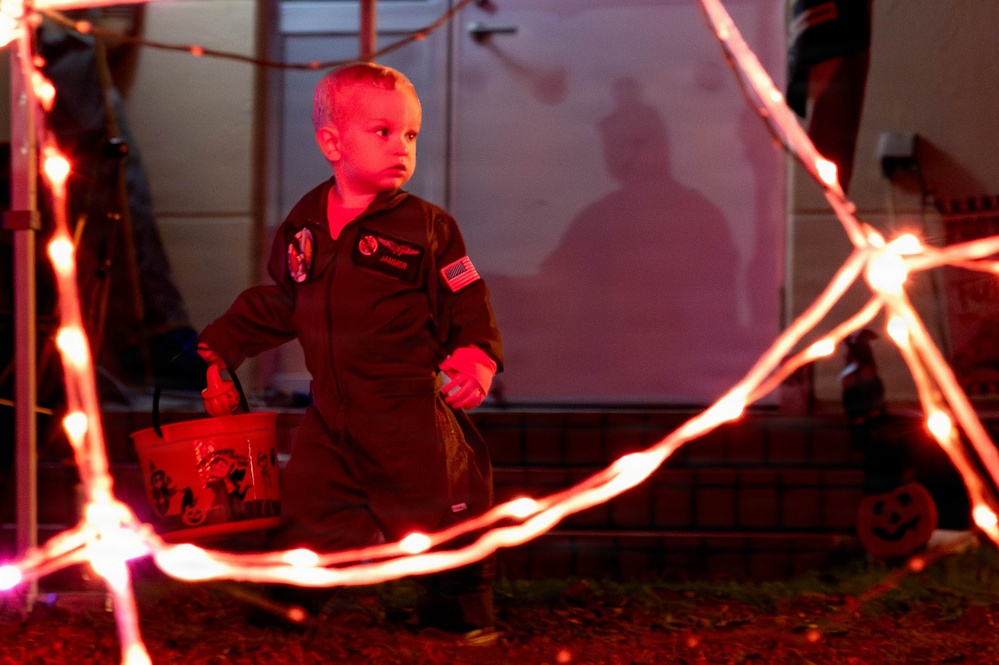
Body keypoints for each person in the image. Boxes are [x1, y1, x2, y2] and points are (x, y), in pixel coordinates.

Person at [197, 62, 503, 645]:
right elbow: (286, 300)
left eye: (410, 135)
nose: (401, 148)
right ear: (332, 143)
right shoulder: (304, 225)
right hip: (332, 406)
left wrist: (475, 356)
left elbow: (466, 295)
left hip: (406, 405)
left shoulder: (426, 228)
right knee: (313, 502)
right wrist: (224, 343)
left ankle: (459, 611)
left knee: (441, 504)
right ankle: (290, 599)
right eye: (383, 132)